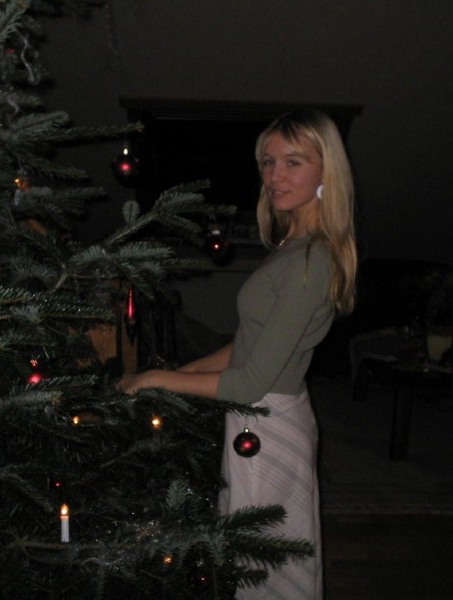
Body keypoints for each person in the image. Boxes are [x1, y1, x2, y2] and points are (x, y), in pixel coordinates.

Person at [119, 109, 357, 599]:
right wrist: (185, 370)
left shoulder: (311, 260)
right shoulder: (294, 243)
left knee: (261, 571)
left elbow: (249, 382)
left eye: (293, 162)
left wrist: (153, 380)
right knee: (252, 558)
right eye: (268, 162)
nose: (275, 176)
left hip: (266, 424)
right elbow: (250, 343)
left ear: (326, 171)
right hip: (260, 419)